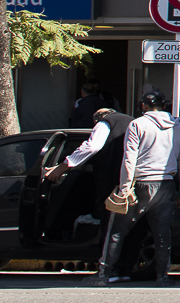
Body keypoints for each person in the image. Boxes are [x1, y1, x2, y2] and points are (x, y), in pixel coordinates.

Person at [102, 87, 180, 285]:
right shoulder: (178, 127)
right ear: (164, 105)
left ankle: (103, 275)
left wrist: (124, 188)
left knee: (116, 230)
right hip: (166, 185)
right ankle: (162, 276)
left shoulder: (137, 125)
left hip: (141, 182)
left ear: (143, 106)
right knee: (162, 234)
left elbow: (129, 159)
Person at [45, 103, 135, 277]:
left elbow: (91, 147)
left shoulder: (105, 123)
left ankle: (107, 271)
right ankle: (126, 269)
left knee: (111, 228)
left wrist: (62, 168)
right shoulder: (134, 122)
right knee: (131, 229)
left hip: (114, 184)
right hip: (137, 182)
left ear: (97, 120)